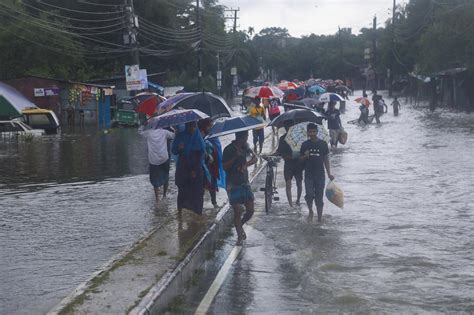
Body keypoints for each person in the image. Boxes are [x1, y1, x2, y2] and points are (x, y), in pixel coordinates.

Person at [222, 131, 258, 245]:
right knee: (237, 210)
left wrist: (245, 165)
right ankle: (239, 237)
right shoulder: (228, 149)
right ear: (241, 137)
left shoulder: (245, 147)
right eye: (246, 136)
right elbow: (224, 166)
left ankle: (240, 225)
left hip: (244, 182)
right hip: (232, 184)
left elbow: (255, 158)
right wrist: (234, 157)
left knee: (250, 210)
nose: (247, 138)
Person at [300, 123, 334, 222]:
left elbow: (326, 159)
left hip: (320, 175)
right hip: (308, 174)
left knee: (319, 197)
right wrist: (304, 156)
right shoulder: (305, 144)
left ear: (317, 132)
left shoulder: (323, 144)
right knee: (309, 195)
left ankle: (319, 219)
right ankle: (310, 210)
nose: (312, 133)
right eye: (310, 132)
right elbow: (300, 160)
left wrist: (329, 173)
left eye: (314, 131)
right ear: (307, 133)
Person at [172, 121, 206, 215]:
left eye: (193, 126)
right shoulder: (180, 136)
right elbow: (174, 151)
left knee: (197, 193)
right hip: (183, 168)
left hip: (196, 167)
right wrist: (179, 148)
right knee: (182, 192)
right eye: (189, 126)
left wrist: (195, 170)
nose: (191, 128)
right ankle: (179, 215)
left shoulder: (197, 137)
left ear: (195, 126)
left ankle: (198, 216)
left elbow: (201, 152)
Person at [139, 124, 175, 203]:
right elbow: (173, 135)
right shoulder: (165, 132)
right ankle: (164, 195)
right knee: (166, 175)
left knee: (155, 179)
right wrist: (173, 128)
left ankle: (157, 199)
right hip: (164, 158)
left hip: (153, 160)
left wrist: (143, 125)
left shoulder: (148, 133)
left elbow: (140, 132)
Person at [276, 123, 303, 207]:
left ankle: (298, 200)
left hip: (298, 163)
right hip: (288, 163)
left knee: (299, 183)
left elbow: (302, 151)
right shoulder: (282, 138)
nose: (289, 129)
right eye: (287, 127)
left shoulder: (299, 137)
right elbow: (279, 151)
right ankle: (290, 204)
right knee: (288, 183)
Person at [198, 118, 222, 208]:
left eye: (211, 126)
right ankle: (199, 205)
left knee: (212, 182)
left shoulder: (213, 136)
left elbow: (217, 147)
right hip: (202, 164)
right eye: (209, 126)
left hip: (212, 164)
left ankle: (214, 203)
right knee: (202, 185)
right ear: (204, 126)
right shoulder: (199, 136)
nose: (211, 127)